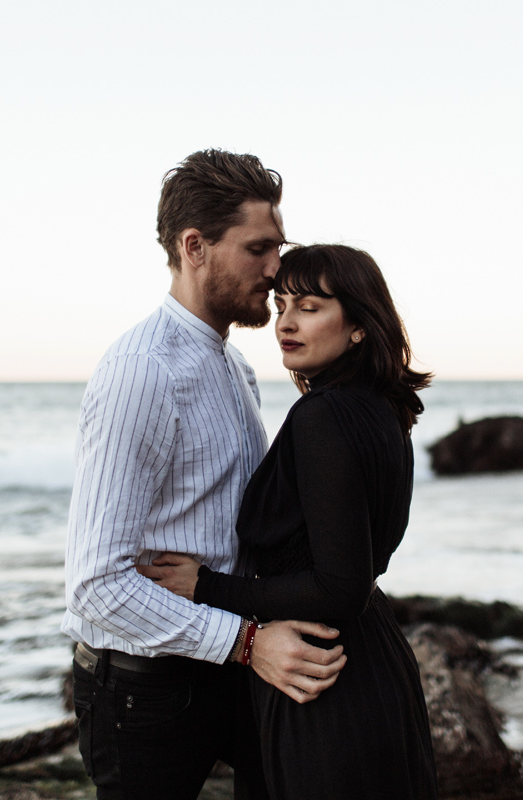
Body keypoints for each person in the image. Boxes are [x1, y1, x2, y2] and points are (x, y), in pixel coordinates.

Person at [62, 150, 348, 800]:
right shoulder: (143, 371)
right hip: (145, 688)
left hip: (231, 665)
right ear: (195, 246)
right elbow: (96, 585)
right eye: (259, 249)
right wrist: (247, 643)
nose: (277, 270)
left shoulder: (235, 368)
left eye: (280, 247)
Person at [139, 244, 440, 799]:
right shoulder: (382, 411)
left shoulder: (323, 416)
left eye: (308, 307)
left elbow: (339, 587)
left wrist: (205, 586)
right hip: (367, 663)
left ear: (358, 325)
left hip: (323, 678)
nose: (286, 323)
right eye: (280, 306)